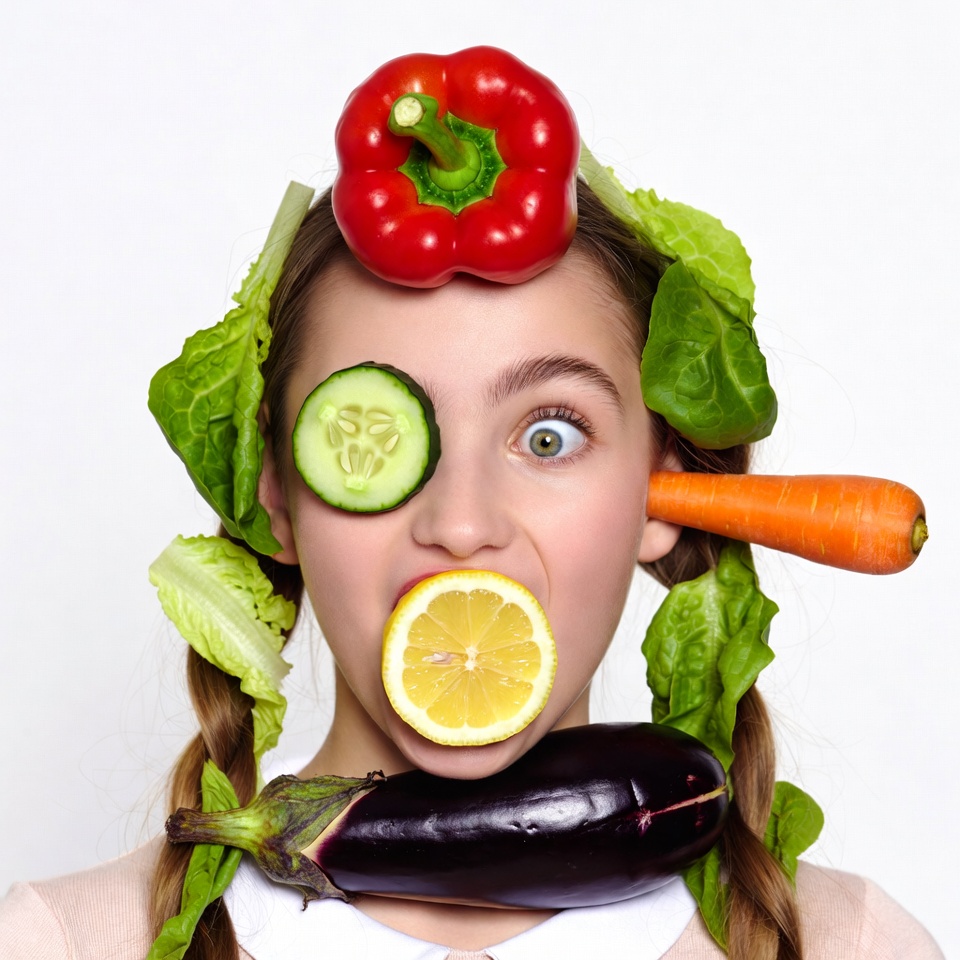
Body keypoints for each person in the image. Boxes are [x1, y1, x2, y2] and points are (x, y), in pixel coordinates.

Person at [0, 49, 944, 960]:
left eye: (550, 436)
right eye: (367, 441)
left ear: (661, 489)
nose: (460, 526)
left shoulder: (856, 947)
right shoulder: (60, 945)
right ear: (275, 497)